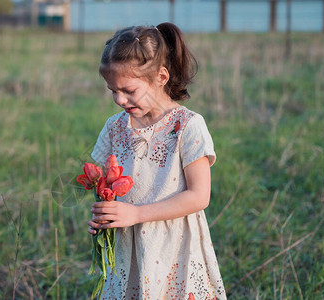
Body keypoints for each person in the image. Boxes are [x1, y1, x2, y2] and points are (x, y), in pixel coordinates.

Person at [87, 22, 226, 299]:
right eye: (112, 90)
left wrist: (137, 214)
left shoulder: (187, 126)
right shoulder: (115, 128)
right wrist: (105, 215)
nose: (119, 99)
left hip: (174, 246)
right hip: (130, 246)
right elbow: (106, 186)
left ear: (161, 77)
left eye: (128, 90)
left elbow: (200, 196)